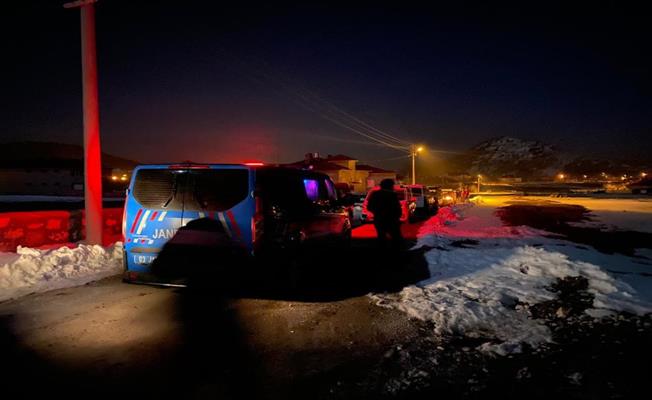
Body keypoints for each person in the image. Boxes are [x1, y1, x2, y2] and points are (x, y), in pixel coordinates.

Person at [366, 178, 403, 249]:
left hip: (379, 219)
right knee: (397, 238)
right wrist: (397, 217)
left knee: (381, 237)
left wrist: (377, 213)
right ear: (389, 186)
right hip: (391, 220)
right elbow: (397, 208)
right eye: (392, 185)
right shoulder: (392, 195)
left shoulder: (375, 194)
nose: (393, 187)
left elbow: (369, 207)